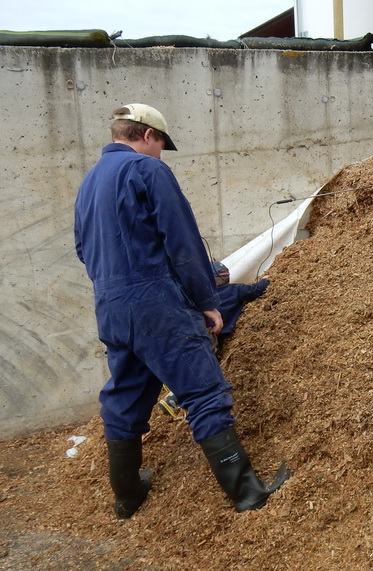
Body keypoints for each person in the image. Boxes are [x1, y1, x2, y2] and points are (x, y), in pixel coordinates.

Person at [74, 103, 288, 518]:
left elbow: (83, 250)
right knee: (204, 390)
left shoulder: (89, 183)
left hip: (111, 306)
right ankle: (247, 493)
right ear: (148, 135)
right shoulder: (147, 170)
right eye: (161, 145)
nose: (160, 153)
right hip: (156, 304)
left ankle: (127, 495)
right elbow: (183, 243)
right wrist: (206, 300)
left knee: (126, 396)